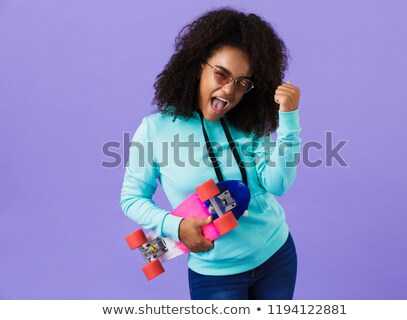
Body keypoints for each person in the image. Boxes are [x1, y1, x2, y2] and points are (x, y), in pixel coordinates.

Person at [120, 8, 302, 300]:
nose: (229, 91)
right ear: (197, 67)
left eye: (242, 83)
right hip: (216, 276)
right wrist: (176, 226)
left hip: (276, 255)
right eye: (221, 74)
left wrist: (289, 120)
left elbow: (278, 184)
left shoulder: (247, 123)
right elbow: (131, 198)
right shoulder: (155, 130)